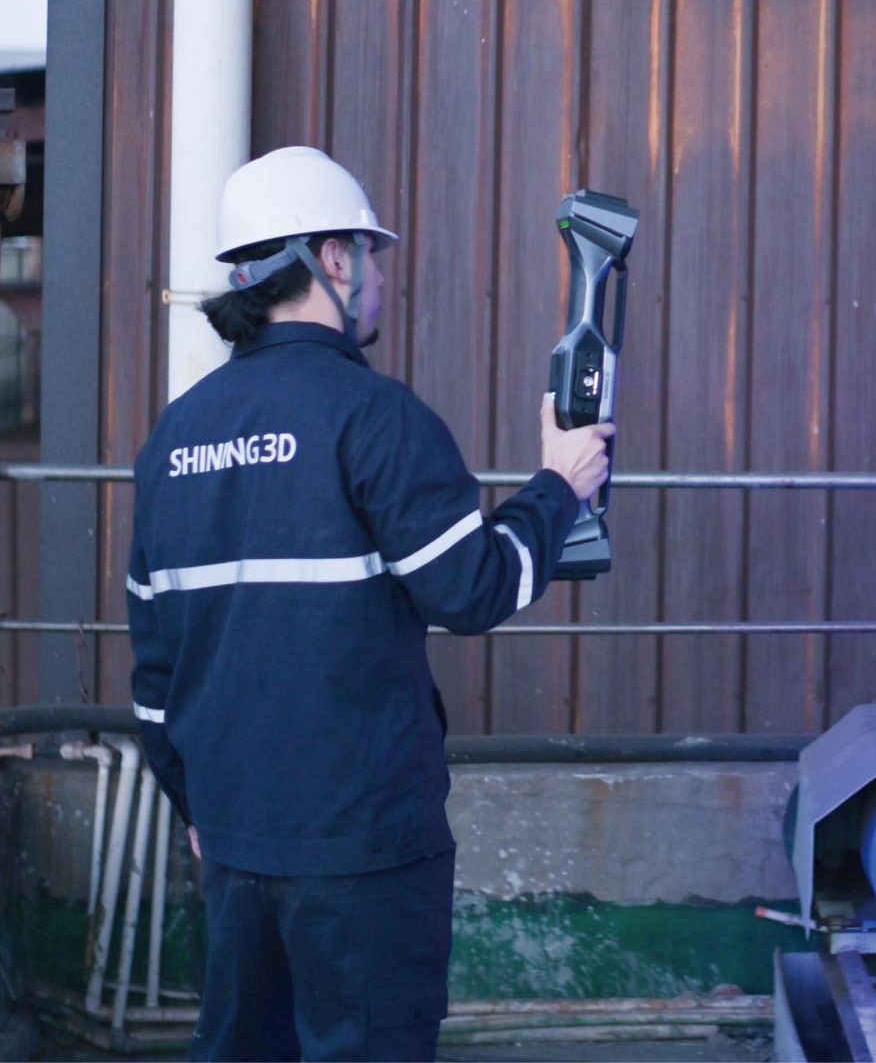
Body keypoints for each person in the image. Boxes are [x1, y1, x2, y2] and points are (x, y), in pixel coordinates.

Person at [126, 146, 613, 1061]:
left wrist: (201, 810)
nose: (379, 276)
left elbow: (154, 683)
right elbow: (474, 588)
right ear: (333, 259)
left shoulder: (173, 439)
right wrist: (560, 485)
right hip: (364, 853)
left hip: (231, 843)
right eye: (371, 254)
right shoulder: (371, 415)